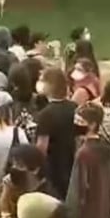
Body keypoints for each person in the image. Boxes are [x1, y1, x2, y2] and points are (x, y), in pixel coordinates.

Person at [35, 68, 78, 201]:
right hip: (71, 162)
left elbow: (42, 147)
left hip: (53, 166)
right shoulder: (74, 107)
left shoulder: (45, 115)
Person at [0, 144, 57, 218]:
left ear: (35, 169)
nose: (14, 168)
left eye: (19, 165)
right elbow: (4, 212)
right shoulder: (19, 189)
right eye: (14, 164)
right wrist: (6, 191)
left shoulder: (46, 197)